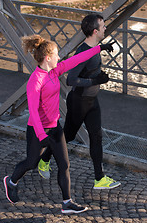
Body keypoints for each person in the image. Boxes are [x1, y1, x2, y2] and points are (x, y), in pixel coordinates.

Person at [3, 34, 114, 214]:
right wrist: (41, 136)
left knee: (64, 165)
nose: (59, 58)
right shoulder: (35, 80)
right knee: (31, 163)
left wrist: (99, 48)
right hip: (38, 130)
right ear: (47, 58)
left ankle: (67, 203)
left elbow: (77, 59)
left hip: (55, 128)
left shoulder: (55, 71)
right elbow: (32, 111)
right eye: (56, 55)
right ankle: (11, 181)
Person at [38, 13, 121, 190]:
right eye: (103, 26)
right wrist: (95, 81)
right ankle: (43, 160)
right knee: (67, 136)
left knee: (96, 137)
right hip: (79, 101)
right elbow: (71, 80)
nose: (106, 28)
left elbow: (89, 71)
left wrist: (98, 76)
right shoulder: (83, 52)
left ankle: (99, 179)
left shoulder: (95, 48)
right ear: (94, 31)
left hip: (92, 101)